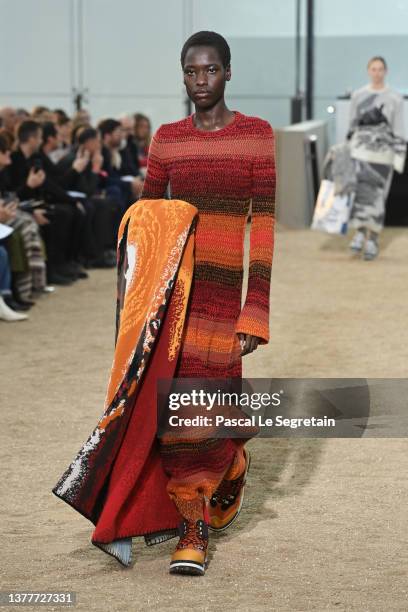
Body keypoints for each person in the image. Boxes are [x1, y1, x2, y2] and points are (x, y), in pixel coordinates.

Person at [139, 30, 276, 575]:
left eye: (211, 71)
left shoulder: (256, 136)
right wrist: (138, 302)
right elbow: (147, 221)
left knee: (210, 405)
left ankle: (232, 460)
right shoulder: (167, 139)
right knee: (176, 413)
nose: (201, 82)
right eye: (191, 72)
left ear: (228, 72)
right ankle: (191, 526)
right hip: (175, 297)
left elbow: (262, 226)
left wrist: (256, 309)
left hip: (224, 302)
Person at [348, 56, 406, 260]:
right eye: (373, 68)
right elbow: (352, 126)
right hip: (361, 153)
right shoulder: (358, 95)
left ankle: (372, 238)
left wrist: (399, 154)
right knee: (361, 195)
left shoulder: (395, 98)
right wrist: (348, 149)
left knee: (379, 198)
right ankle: (359, 234)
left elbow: (399, 128)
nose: (377, 72)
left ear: (386, 71)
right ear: (368, 71)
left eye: (380, 69)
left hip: (384, 155)